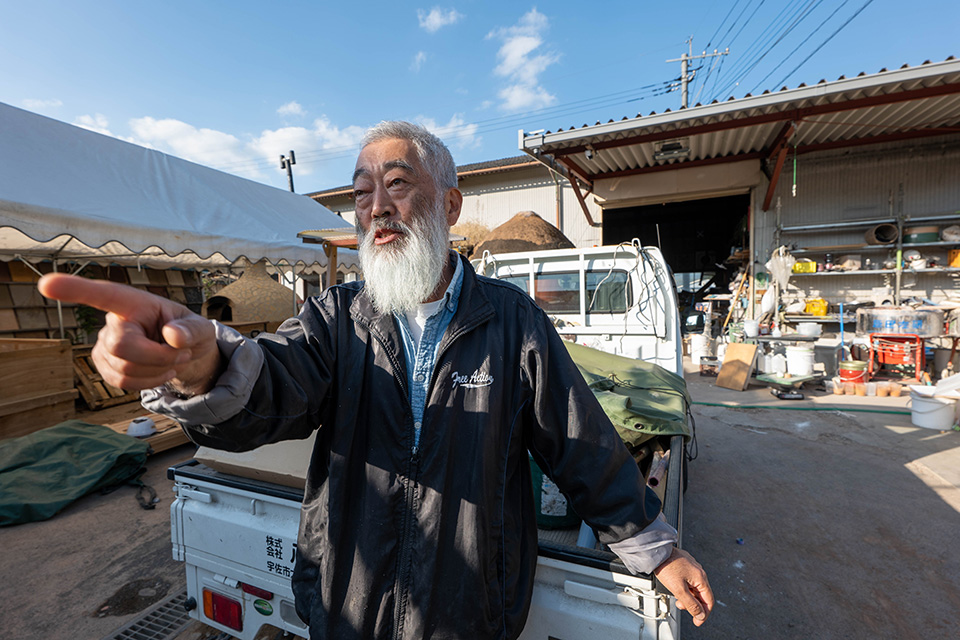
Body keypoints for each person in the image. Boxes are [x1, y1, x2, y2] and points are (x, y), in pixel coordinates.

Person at [39, 121, 712, 639]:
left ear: (448, 204)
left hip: (467, 613)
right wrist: (199, 364)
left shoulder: (512, 323)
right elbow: (273, 383)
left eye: (396, 184)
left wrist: (654, 548)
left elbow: (581, 444)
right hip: (345, 605)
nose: (376, 207)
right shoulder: (335, 318)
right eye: (362, 194)